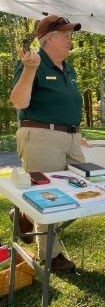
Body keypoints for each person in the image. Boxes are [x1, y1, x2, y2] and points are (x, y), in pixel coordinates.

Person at [9, 14, 86, 272]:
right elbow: (19, 101)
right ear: (48, 39)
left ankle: (24, 216)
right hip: (41, 137)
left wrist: (73, 131)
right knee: (50, 197)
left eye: (70, 34)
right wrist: (30, 69)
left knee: (84, 190)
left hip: (71, 138)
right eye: (65, 34)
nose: (70, 39)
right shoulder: (34, 63)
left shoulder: (69, 67)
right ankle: (50, 256)